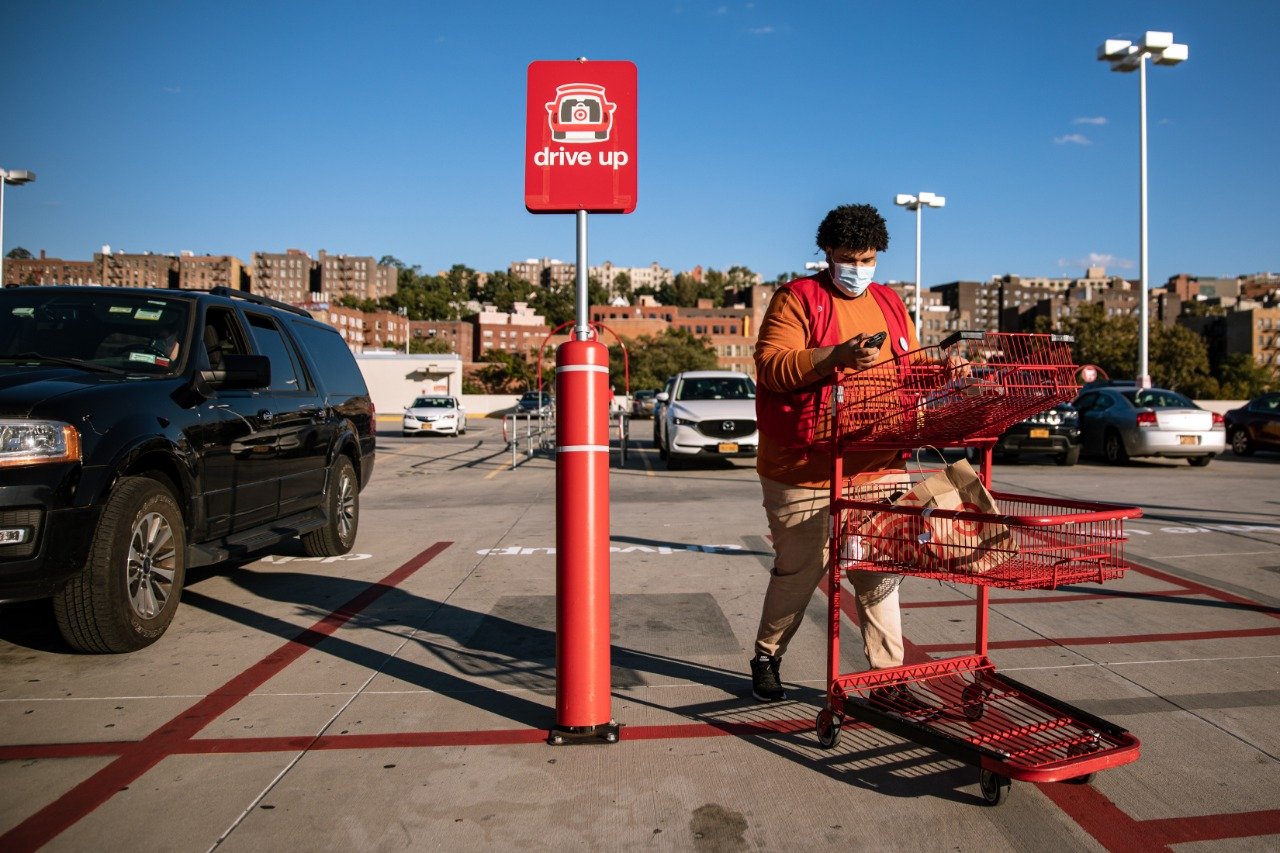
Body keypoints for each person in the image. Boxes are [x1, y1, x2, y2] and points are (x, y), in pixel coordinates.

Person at [749, 203, 927, 706]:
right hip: (803, 467)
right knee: (802, 569)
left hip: (875, 460)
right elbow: (773, 368)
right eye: (849, 257)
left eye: (868, 258)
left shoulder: (891, 303)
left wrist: (944, 369)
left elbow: (909, 369)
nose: (859, 268)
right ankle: (767, 655)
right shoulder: (797, 299)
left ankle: (887, 680)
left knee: (878, 571)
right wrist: (837, 356)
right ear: (827, 253)